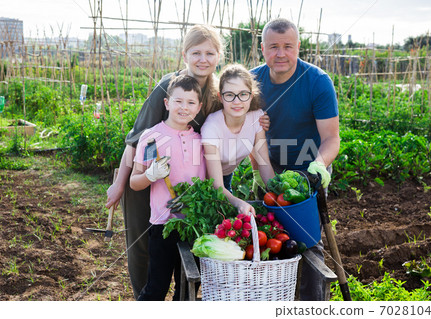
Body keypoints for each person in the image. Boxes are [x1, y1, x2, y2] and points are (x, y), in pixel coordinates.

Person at [106, 25, 269, 299]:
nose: (202, 59)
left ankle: (184, 297)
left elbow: (236, 111)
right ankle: (144, 296)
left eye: (209, 53)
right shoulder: (169, 88)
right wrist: (120, 185)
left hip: (192, 183)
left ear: (219, 56)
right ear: (185, 54)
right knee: (144, 244)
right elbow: (136, 142)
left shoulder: (218, 92)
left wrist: (258, 119)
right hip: (147, 173)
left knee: (190, 251)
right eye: (196, 53)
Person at [251, 18, 340, 301]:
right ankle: (272, 298)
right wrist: (258, 170)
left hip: (308, 166)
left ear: (298, 47)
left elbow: (331, 138)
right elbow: (238, 128)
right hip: (269, 164)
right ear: (262, 49)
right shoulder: (251, 83)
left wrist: (318, 168)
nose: (280, 54)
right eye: (273, 47)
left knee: (308, 240)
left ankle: (312, 303)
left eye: (288, 46)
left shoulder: (317, 82)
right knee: (268, 236)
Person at [129, 75, 206, 301]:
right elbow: (135, 182)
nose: (184, 107)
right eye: (178, 101)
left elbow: (208, 181)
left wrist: (192, 201)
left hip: (193, 224)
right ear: (166, 103)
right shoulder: (151, 138)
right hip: (162, 224)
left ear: (199, 107)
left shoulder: (201, 140)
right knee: (156, 287)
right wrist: (150, 175)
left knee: (187, 289)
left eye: (191, 103)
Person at [201, 64, 275, 216]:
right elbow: (216, 186)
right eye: (229, 95)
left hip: (226, 176)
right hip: (202, 182)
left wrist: (278, 194)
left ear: (251, 95)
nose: (237, 101)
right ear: (220, 97)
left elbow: (264, 163)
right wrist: (239, 202)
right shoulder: (211, 127)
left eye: (243, 94)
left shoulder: (256, 118)